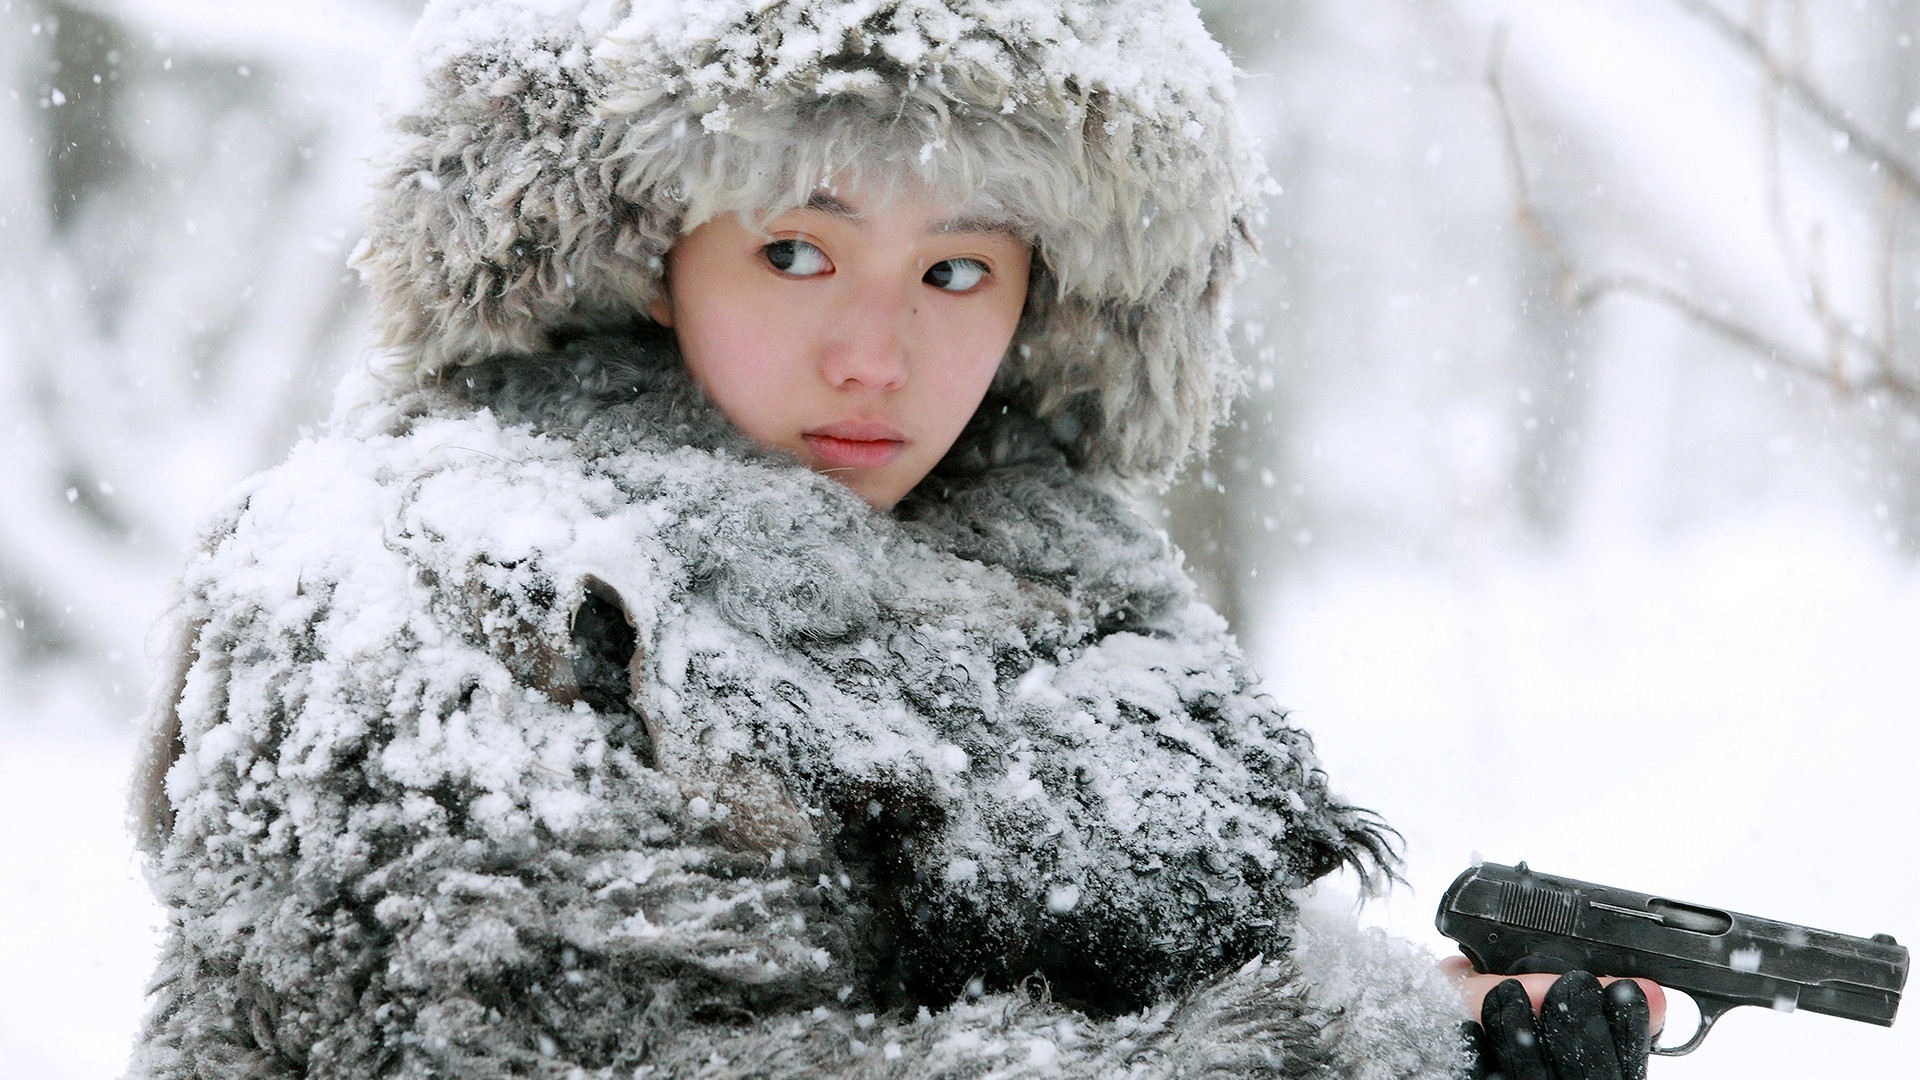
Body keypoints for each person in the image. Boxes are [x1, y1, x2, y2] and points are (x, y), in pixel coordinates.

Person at [126, 1, 1660, 1077]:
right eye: (798, 250)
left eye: (955, 270)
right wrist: (1357, 1062)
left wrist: (1442, 1024)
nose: (877, 353)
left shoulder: (1075, 609)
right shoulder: (419, 590)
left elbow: (1160, 983)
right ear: (653, 253)